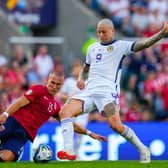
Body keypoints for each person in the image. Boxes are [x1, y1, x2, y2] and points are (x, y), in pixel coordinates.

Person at [57, 18, 168, 163]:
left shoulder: (120, 46)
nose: (101, 35)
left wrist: (161, 34)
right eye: (99, 32)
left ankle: (142, 149)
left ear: (112, 31)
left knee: (116, 125)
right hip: (89, 92)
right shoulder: (92, 48)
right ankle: (68, 150)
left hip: (107, 93)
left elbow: (143, 44)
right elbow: (86, 68)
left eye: (104, 32)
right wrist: (80, 79)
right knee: (64, 112)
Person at [0, 70, 107, 162]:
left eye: (58, 84)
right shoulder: (38, 90)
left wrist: (89, 133)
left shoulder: (55, 106)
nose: (54, 86)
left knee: (6, 158)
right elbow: (19, 102)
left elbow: (69, 124)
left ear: (62, 85)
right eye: (52, 82)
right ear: (47, 80)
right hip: (12, 122)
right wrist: (5, 114)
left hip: (22, 134)